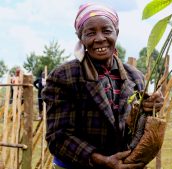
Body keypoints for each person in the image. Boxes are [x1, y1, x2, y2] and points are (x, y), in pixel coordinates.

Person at [42, 3, 164, 169]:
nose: (99, 38)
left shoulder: (135, 77)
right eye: (90, 33)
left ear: (117, 33)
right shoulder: (64, 76)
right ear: (81, 37)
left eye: (106, 31)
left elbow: (137, 128)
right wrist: (101, 160)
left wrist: (151, 108)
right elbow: (58, 137)